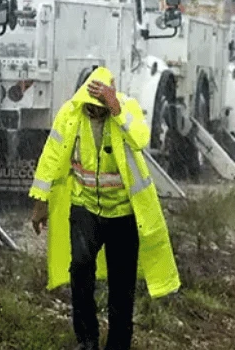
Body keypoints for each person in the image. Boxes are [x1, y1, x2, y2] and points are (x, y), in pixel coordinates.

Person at [29, 66, 180, 350]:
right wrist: (40, 201)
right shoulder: (70, 114)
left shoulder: (126, 108)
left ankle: (118, 345)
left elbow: (141, 138)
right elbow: (51, 156)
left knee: (121, 286)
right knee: (80, 269)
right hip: (85, 207)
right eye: (91, 105)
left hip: (123, 213)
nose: (94, 111)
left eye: (100, 106)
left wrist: (116, 108)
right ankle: (87, 340)